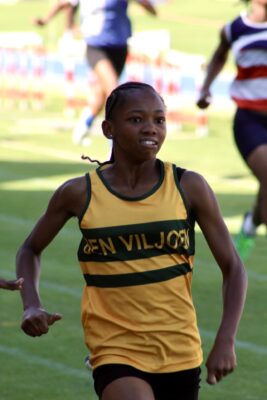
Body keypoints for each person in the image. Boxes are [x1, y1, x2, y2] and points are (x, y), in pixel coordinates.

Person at [16, 82, 247, 400]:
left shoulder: (188, 187)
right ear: (108, 129)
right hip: (113, 348)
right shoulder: (79, 193)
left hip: (179, 348)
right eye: (136, 119)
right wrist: (31, 304)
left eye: (159, 120)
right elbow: (30, 248)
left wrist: (226, 339)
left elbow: (233, 267)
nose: (150, 128)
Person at [196, 0, 267, 260]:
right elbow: (218, 56)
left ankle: (251, 221)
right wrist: (205, 88)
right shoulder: (233, 29)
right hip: (250, 120)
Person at [34, 0, 158, 146]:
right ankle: (115, 147)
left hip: (119, 47)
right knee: (114, 90)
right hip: (96, 47)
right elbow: (64, 3)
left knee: (102, 94)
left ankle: (84, 124)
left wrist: (150, 8)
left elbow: (145, 4)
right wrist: (46, 20)